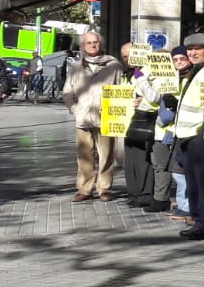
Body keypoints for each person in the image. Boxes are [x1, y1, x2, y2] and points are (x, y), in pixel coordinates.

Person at [173, 32, 204, 241]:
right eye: (190, 49)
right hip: (187, 135)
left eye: (198, 49)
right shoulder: (197, 70)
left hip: (199, 135)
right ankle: (198, 220)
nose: (193, 53)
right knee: (194, 183)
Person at [62, 30, 124, 201]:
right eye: (88, 43)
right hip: (83, 118)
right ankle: (84, 189)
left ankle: (104, 188)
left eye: (95, 42)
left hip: (106, 117)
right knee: (84, 156)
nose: (92, 45)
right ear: (82, 46)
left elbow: (121, 89)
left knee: (106, 155)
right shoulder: (76, 67)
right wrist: (74, 109)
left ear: (100, 44)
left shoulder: (113, 65)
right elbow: (67, 92)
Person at [119, 43, 158, 207]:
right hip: (128, 121)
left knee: (143, 160)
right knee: (131, 160)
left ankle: (145, 194)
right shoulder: (125, 73)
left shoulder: (150, 71)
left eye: (131, 55)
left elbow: (155, 96)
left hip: (145, 120)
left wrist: (142, 100)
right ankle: (133, 192)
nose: (128, 59)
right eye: (125, 57)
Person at [159, 46, 193, 222]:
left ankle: (186, 207)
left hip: (188, 131)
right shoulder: (172, 78)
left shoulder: (190, 77)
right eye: (176, 59)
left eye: (182, 58)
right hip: (176, 130)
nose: (179, 62)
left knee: (182, 172)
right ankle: (182, 205)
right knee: (177, 172)